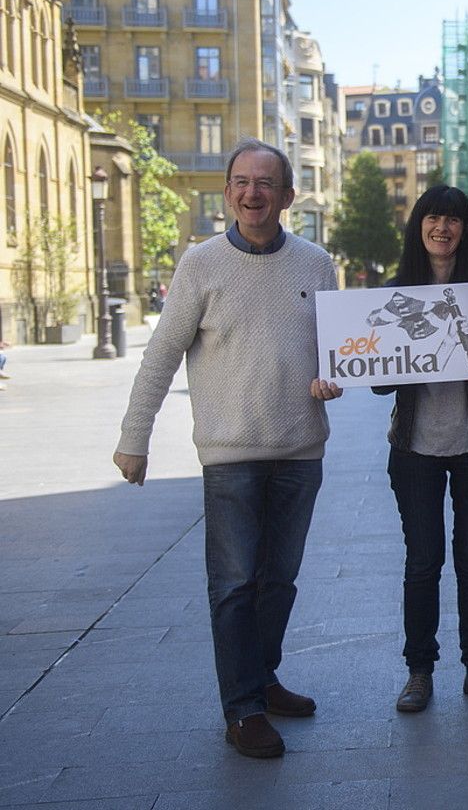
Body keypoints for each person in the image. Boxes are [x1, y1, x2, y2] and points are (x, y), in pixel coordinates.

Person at [112, 137, 341, 759]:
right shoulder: (201, 264)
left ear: (288, 197)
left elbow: (338, 349)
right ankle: (241, 709)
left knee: (281, 580)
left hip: (300, 448)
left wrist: (333, 375)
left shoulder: (318, 264)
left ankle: (261, 681)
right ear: (227, 194)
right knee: (235, 584)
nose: (252, 193)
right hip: (230, 453)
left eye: (265, 183)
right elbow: (161, 355)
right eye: (241, 181)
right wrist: (136, 438)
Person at [370, 186, 468, 713]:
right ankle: (419, 671)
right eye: (433, 217)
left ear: (465, 230)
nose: (443, 227)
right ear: (419, 226)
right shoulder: (394, 292)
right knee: (422, 561)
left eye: (454, 220)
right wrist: (378, 363)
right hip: (414, 447)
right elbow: (378, 382)